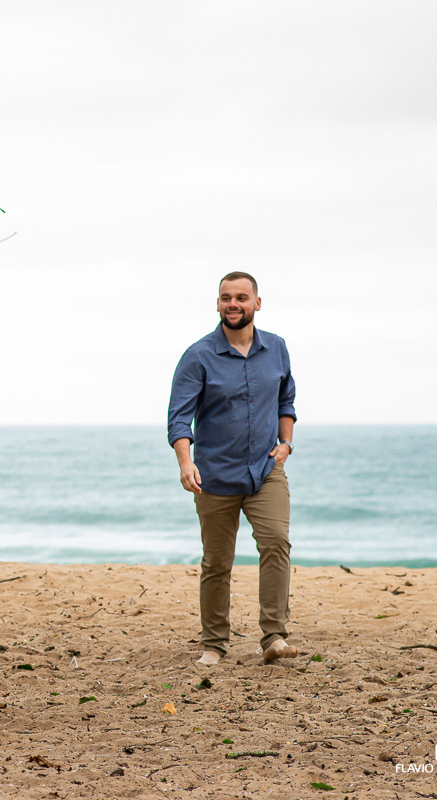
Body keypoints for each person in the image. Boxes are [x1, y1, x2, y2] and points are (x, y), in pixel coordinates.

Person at [167, 272, 297, 665]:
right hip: (214, 476)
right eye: (226, 298)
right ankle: (214, 645)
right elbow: (179, 418)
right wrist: (186, 462)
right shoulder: (198, 355)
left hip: (265, 471)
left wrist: (286, 444)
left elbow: (286, 400)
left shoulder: (276, 348)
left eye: (241, 297)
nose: (233, 304)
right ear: (218, 304)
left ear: (257, 303)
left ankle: (274, 636)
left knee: (276, 543)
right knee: (217, 562)